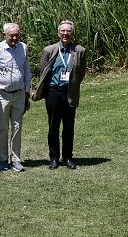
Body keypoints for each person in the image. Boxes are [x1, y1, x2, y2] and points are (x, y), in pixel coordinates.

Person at [32, 20, 87, 170]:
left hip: (69, 92)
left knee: (69, 128)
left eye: (68, 31)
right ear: (58, 33)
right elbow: (43, 71)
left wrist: (72, 84)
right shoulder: (49, 50)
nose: (65, 33)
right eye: (62, 31)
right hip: (53, 93)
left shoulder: (80, 51)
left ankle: (68, 157)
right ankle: (54, 157)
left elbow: (81, 73)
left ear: (72, 33)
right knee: (53, 126)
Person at [0, 23, 32, 172]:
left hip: (19, 93)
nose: (14, 38)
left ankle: (16, 160)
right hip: (2, 93)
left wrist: (27, 92)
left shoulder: (23, 48)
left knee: (17, 127)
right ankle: (2, 160)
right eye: (11, 35)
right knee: (2, 128)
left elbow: (26, 70)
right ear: (4, 35)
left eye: (16, 35)